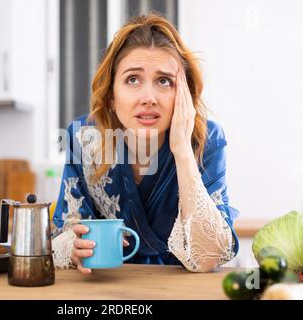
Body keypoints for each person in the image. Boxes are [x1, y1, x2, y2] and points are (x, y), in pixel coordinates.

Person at [51, 13, 239, 274]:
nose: (148, 97)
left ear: (183, 94)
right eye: (132, 80)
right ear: (112, 95)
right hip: (109, 290)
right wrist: (74, 247)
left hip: (183, 291)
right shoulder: (83, 138)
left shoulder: (206, 140)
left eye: (164, 81)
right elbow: (65, 232)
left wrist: (183, 151)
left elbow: (210, 256)